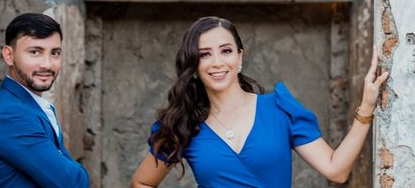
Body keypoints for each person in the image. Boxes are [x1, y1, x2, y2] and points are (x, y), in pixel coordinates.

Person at [131, 16, 389, 188]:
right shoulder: (183, 124)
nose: (218, 62)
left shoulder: (279, 109)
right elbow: (141, 183)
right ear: (194, 65)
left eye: (226, 51)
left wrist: (366, 107)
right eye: (205, 54)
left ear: (240, 57)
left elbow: (336, 170)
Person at [0, 13, 89, 188]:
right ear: (9, 55)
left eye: (55, 53)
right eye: (35, 52)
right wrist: (80, 172)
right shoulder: (12, 115)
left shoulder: (29, 106)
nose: (47, 64)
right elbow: (73, 183)